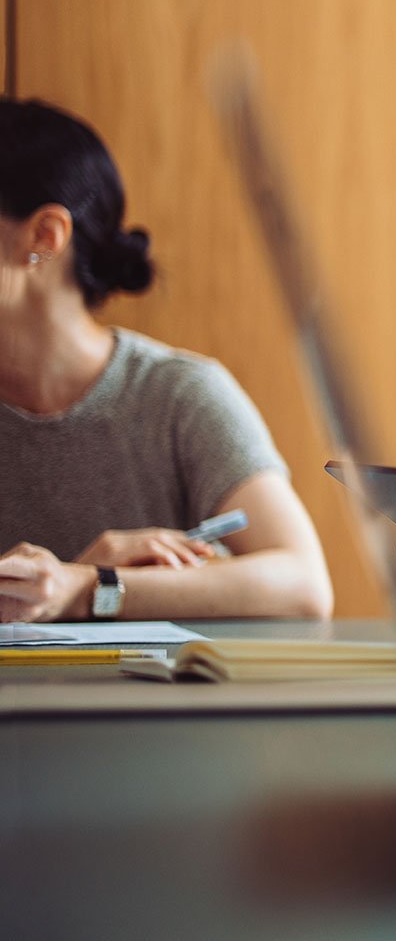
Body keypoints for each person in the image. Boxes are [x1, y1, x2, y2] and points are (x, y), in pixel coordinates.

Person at [0, 99, 333, 622]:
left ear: (44, 237)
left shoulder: (178, 394)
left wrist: (90, 587)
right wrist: (57, 586)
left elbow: (303, 583)